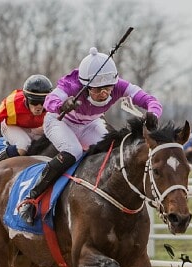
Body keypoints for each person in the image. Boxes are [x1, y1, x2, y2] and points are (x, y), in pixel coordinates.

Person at [17, 47, 162, 225]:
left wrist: (153, 113)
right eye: (97, 89)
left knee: (113, 152)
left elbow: (150, 100)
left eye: (108, 88)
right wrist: (63, 105)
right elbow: (49, 101)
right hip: (59, 122)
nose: (104, 94)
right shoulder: (72, 84)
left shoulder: (120, 86)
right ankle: (31, 199)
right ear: (85, 86)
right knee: (73, 151)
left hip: (89, 123)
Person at [0, 74, 53, 175]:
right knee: (23, 145)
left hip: (33, 128)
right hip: (11, 126)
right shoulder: (12, 103)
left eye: (42, 102)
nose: (38, 107)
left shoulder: (53, 104)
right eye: (34, 102)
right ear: (26, 99)